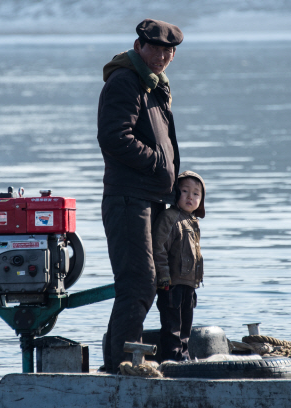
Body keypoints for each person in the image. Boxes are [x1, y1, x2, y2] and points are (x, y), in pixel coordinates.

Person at [97, 18, 183, 374]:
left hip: (148, 199)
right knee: (139, 282)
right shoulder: (126, 82)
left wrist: (174, 180)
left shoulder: (152, 86)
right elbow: (114, 137)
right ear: (139, 47)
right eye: (157, 49)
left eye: (169, 50)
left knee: (150, 282)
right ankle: (123, 367)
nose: (163, 56)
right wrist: (157, 164)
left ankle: (120, 358)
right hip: (128, 200)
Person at [153, 170, 205, 361]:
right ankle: (173, 356)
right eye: (185, 191)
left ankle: (184, 354)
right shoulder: (170, 217)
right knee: (172, 323)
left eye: (196, 193)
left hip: (189, 282)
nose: (190, 197)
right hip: (172, 282)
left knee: (186, 323)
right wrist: (164, 275)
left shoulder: (193, 221)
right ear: (175, 193)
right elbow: (158, 247)